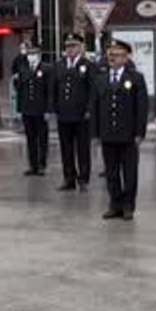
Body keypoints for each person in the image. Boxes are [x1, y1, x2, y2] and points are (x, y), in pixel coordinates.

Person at [96, 39, 149, 221]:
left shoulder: (135, 78)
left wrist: (140, 133)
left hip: (128, 135)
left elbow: (141, 108)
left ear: (126, 58)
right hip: (108, 133)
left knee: (129, 173)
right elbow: (94, 106)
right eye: (110, 54)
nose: (112, 58)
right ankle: (114, 204)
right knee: (111, 173)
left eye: (117, 54)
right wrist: (95, 133)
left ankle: (128, 206)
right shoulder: (101, 78)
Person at [53, 32, 95, 192]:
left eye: (73, 46)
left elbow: (93, 91)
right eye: (67, 46)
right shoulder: (59, 65)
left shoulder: (88, 65)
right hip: (63, 113)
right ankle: (69, 178)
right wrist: (54, 108)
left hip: (81, 114)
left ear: (81, 47)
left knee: (83, 149)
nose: (70, 49)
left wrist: (89, 110)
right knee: (66, 148)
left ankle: (83, 179)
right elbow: (54, 88)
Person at [15, 43, 53, 177]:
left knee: (42, 139)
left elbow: (49, 91)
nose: (31, 57)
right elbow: (20, 90)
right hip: (27, 109)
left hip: (41, 110)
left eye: (34, 54)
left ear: (40, 55)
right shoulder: (23, 69)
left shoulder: (47, 69)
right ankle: (33, 165)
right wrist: (19, 110)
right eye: (29, 54)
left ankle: (42, 164)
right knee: (30, 139)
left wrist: (48, 110)